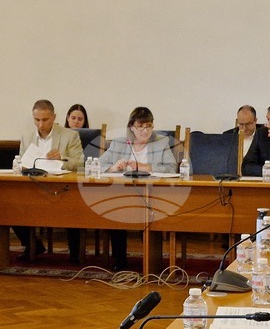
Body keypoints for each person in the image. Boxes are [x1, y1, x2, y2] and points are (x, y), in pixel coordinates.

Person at [100, 106, 177, 269]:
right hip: (122, 193)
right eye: (140, 126)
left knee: (146, 214)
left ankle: (149, 261)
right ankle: (120, 260)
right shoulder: (119, 143)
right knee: (116, 211)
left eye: (148, 126)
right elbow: (97, 164)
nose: (145, 131)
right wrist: (113, 168)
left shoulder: (161, 142)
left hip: (152, 194)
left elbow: (171, 168)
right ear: (131, 127)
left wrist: (146, 167)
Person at [13, 100, 84, 262]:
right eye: (37, 120)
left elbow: (80, 162)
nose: (40, 124)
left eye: (45, 120)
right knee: (10, 205)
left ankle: (75, 252)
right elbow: (21, 161)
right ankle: (32, 245)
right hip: (33, 186)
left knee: (73, 205)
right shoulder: (27, 137)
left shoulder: (70, 135)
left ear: (54, 117)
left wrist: (62, 158)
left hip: (62, 187)